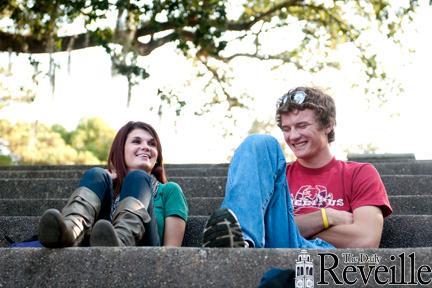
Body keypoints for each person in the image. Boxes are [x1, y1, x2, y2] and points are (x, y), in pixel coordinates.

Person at [203, 87, 392, 249]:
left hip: (320, 257)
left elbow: (365, 239)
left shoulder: (360, 173)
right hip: (271, 247)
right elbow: (261, 227)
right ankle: (240, 243)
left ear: (328, 125)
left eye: (301, 126)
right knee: (259, 143)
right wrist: (326, 217)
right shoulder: (274, 178)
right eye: (286, 129)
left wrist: (285, 228)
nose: (292, 136)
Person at [38, 121, 188, 248]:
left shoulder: (170, 191)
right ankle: (69, 232)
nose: (146, 147)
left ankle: (121, 241)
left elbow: (171, 253)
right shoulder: (105, 186)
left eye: (152, 144)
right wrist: (106, 184)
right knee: (96, 173)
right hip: (97, 245)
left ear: (157, 156)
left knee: (138, 177)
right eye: (136, 141)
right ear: (120, 150)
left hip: (145, 253)